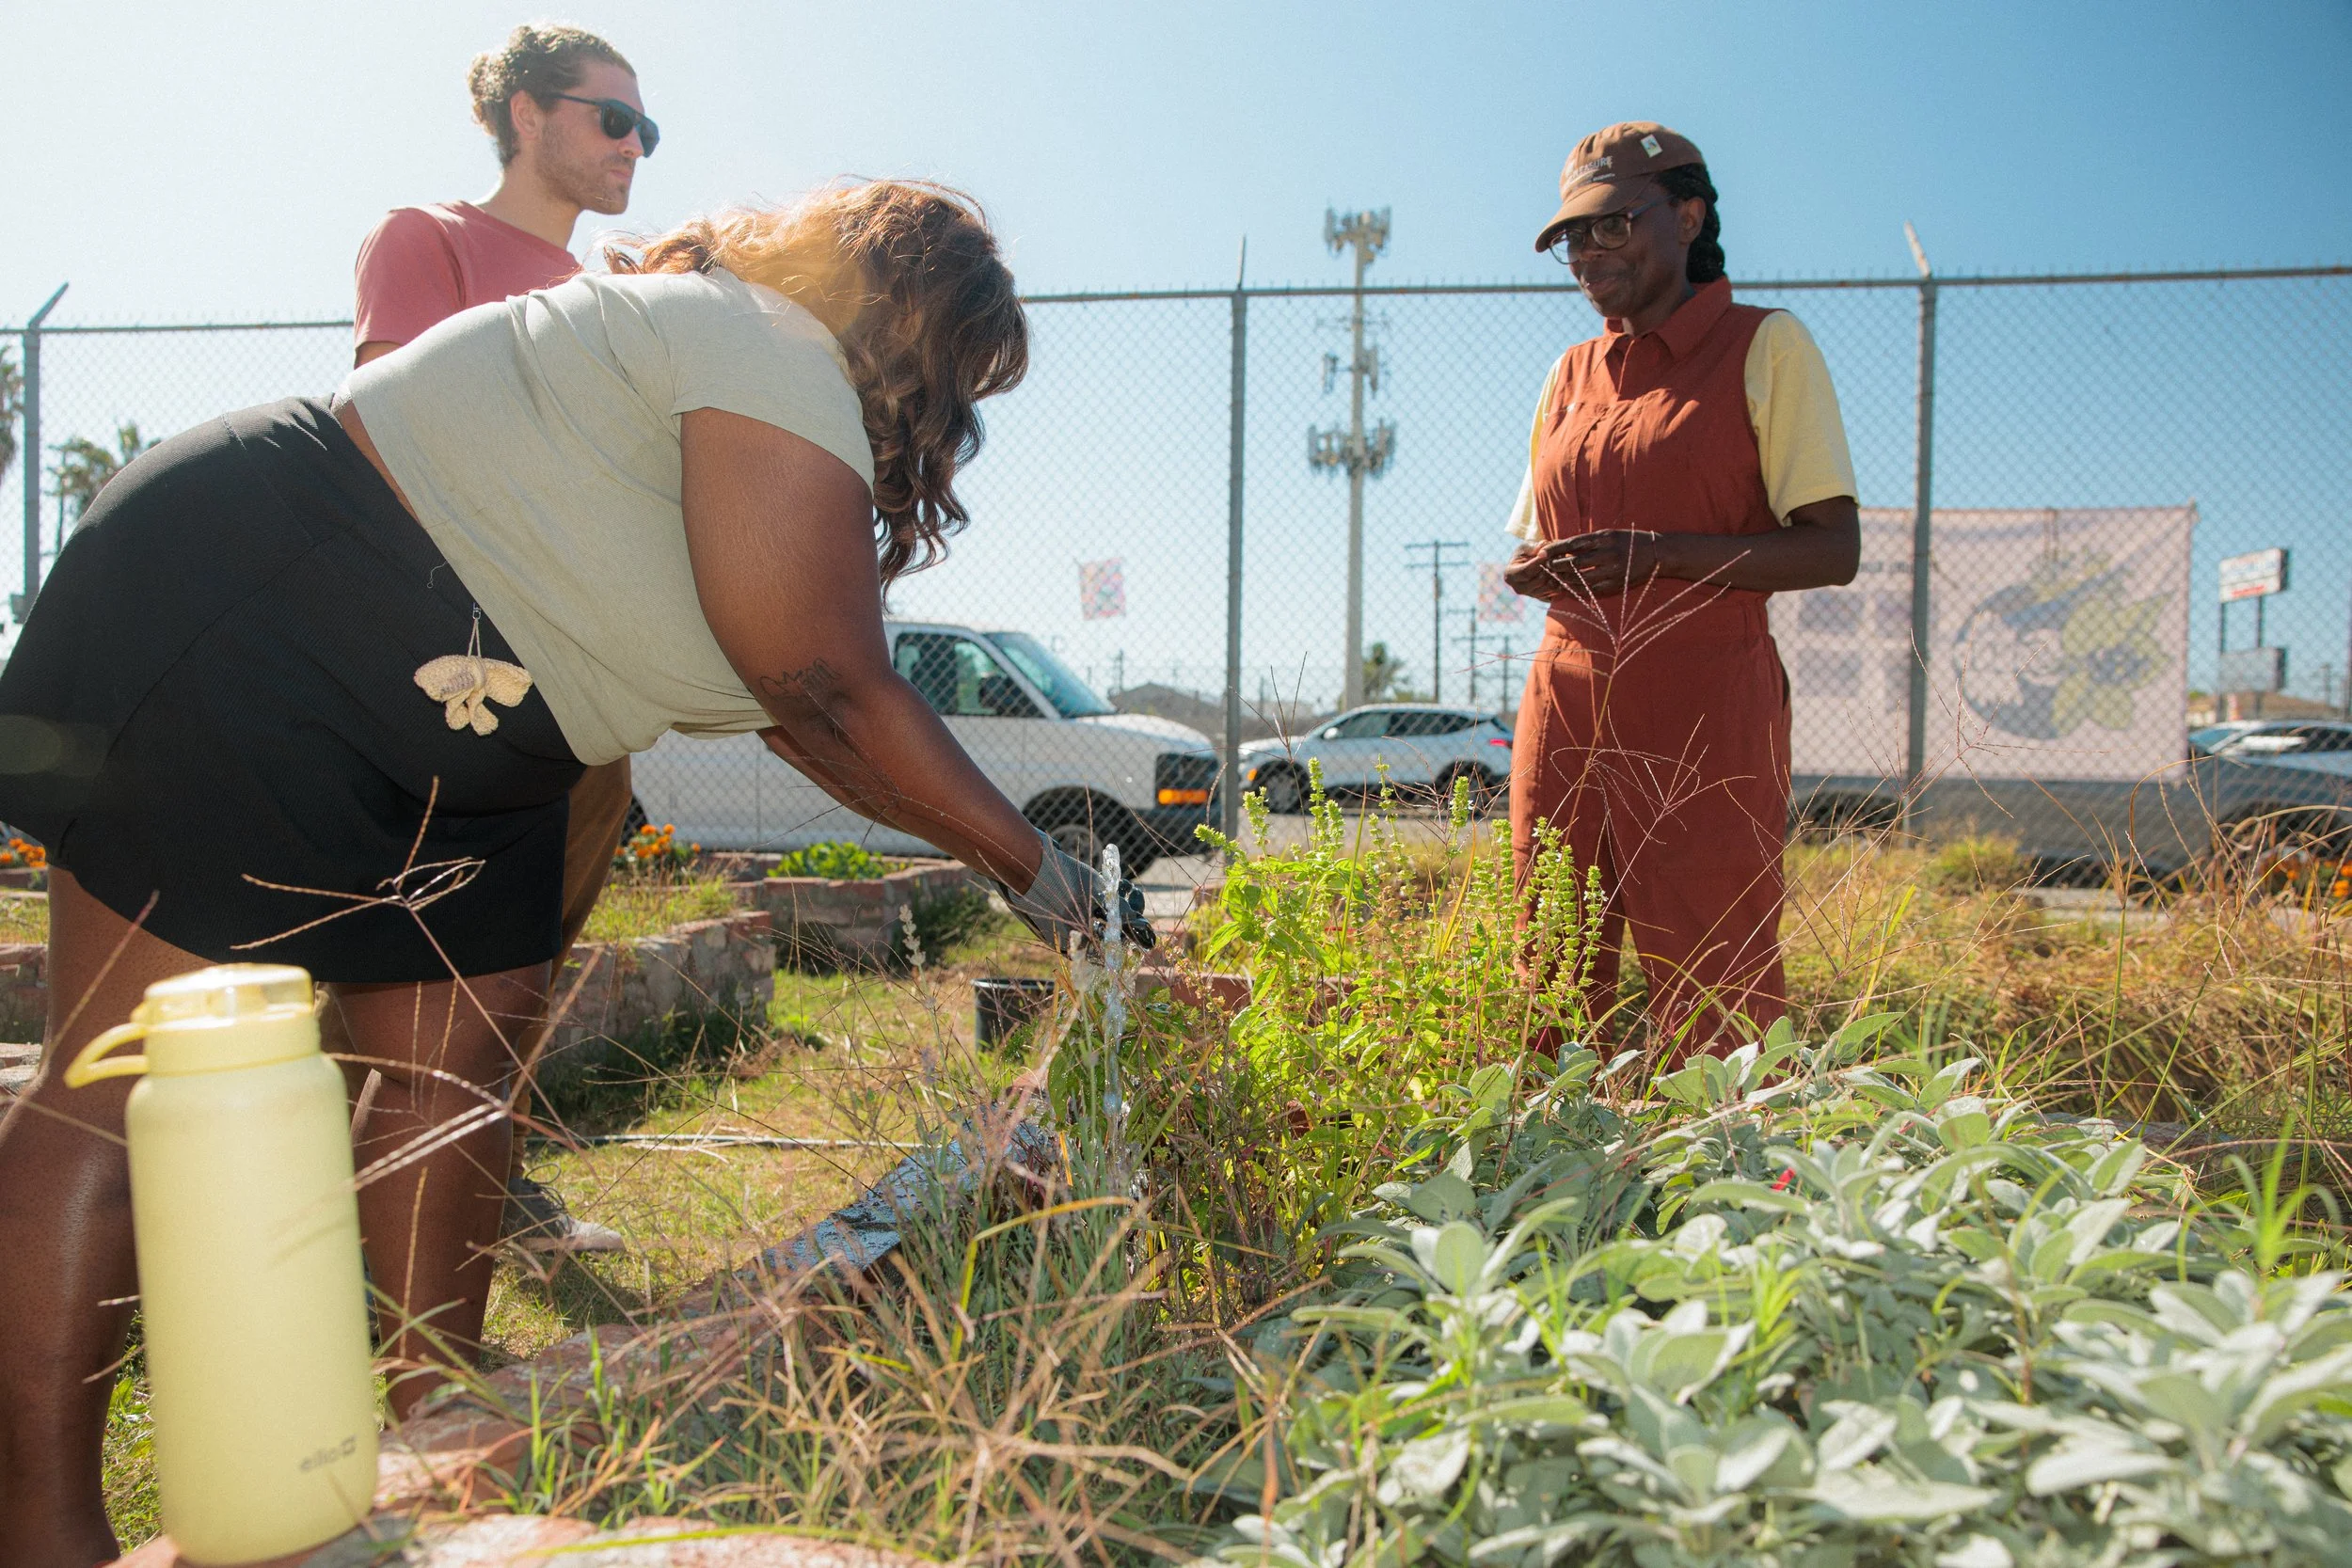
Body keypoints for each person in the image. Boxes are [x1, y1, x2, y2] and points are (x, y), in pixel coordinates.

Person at [0, 180, 1148, 1567]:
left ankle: (434, 1454)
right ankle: (41, 1528)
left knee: (447, 1099)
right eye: (970, 372)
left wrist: (1010, 869)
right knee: (118, 1087)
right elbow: (825, 680)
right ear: (921, 322)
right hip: (276, 592)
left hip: (489, 733)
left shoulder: (769, 416)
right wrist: (1052, 877)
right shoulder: (764, 341)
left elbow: (809, 723)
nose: (961, 412)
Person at [352, 22, 657, 1254]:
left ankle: (486, 1172)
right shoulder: (431, 239)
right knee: (405, 931)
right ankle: (355, 1185)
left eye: (648, 127)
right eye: (614, 117)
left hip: (577, 669)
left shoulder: (619, 295)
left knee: (524, 944)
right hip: (447, 650)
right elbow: (389, 432)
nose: (637, 144)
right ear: (528, 115)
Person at [1500, 122, 1860, 1056]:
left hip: (1704, 699)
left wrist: (1658, 555)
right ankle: (1557, 1179)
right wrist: (1536, 570)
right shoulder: (1565, 375)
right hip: (1566, 695)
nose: (1586, 252)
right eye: (1570, 237)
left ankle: (1720, 1187)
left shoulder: (1763, 347)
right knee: (1552, 966)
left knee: (1715, 983)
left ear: (1687, 216)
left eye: (1610, 225)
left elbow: (1831, 547)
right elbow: (1543, 534)